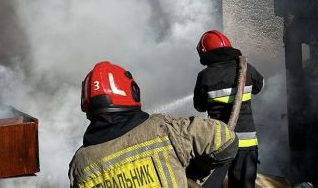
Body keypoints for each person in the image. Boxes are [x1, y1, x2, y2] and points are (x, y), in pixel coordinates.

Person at [69, 61, 239, 188]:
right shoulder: (165, 129)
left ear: (86, 104)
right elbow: (226, 140)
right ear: (133, 91)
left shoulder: (80, 165)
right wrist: (193, 172)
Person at [193, 30, 264, 188]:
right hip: (246, 144)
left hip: (219, 144)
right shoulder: (246, 69)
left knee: (211, 184)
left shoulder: (205, 76)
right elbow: (260, 86)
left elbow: (199, 106)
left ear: (204, 52)